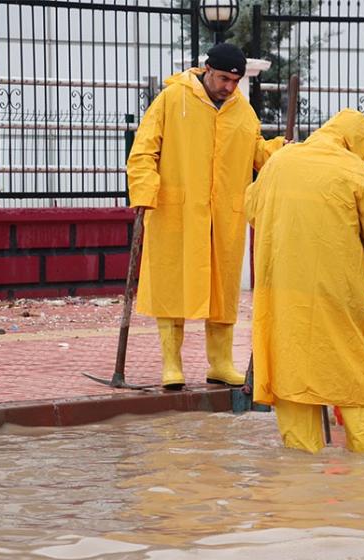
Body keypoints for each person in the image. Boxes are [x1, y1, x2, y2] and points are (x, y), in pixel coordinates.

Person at [245, 109, 364, 454]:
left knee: (293, 374)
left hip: (282, 294)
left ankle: (303, 472)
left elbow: (250, 209)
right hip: (337, 292)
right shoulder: (353, 170)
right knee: (354, 374)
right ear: (354, 142)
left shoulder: (279, 161)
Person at [127, 43, 285, 390]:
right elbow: (143, 150)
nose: (229, 87)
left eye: (235, 80)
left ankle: (221, 364)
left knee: (223, 290)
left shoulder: (242, 112)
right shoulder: (173, 100)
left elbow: (256, 151)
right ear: (207, 69)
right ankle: (172, 364)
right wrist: (144, 191)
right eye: (224, 78)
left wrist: (280, 150)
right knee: (173, 285)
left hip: (223, 217)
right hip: (175, 212)